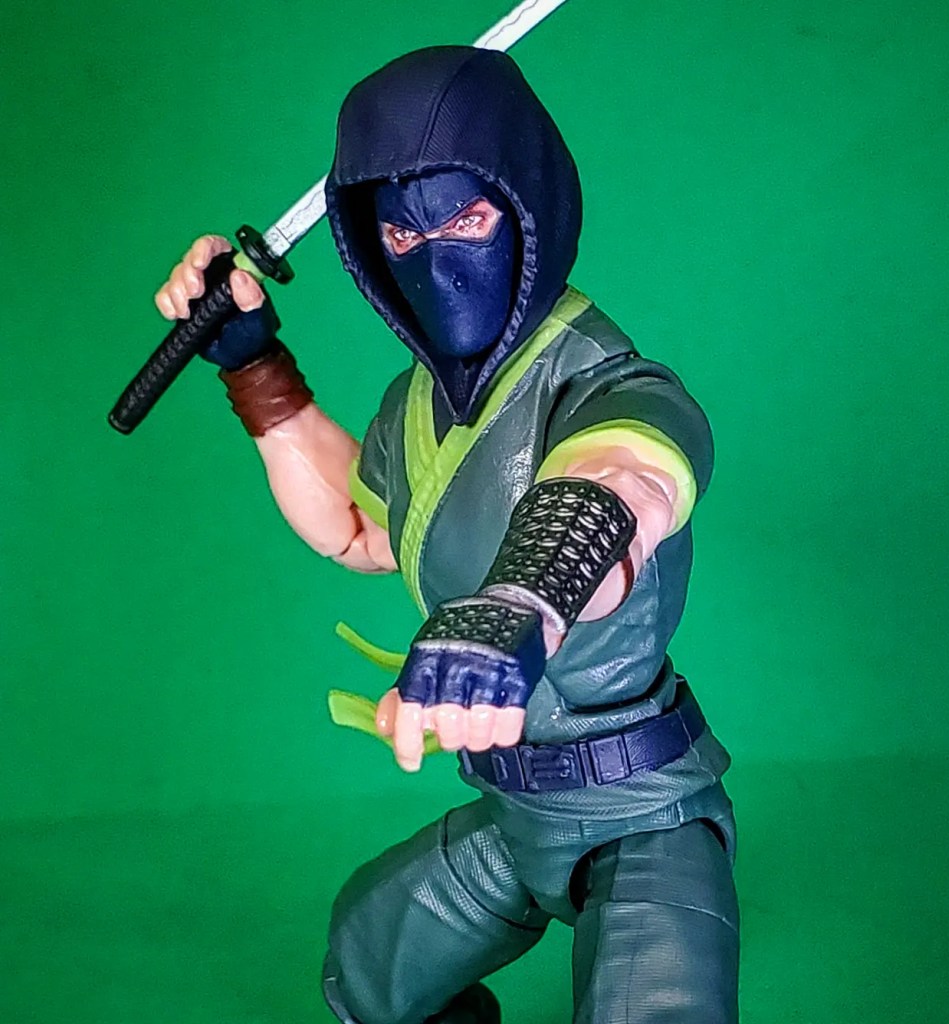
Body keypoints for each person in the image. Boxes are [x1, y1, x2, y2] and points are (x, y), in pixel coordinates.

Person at [156, 45, 739, 1024]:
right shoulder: (417, 405)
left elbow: (620, 485)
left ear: (527, 207)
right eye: (401, 232)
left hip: (642, 808)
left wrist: (517, 603)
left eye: (466, 221)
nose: (437, 257)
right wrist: (256, 370)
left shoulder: (610, 382)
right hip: (517, 808)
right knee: (369, 964)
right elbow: (357, 527)